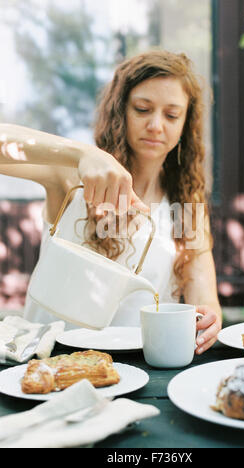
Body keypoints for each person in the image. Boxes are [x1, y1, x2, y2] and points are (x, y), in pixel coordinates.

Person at [0, 49, 222, 354]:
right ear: (120, 111)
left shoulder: (188, 204)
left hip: (133, 373)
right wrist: (82, 154)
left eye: (171, 115)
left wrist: (208, 319)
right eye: (143, 109)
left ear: (186, 124)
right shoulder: (74, 177)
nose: (157, 125)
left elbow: (205, 301)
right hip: (43, 364)